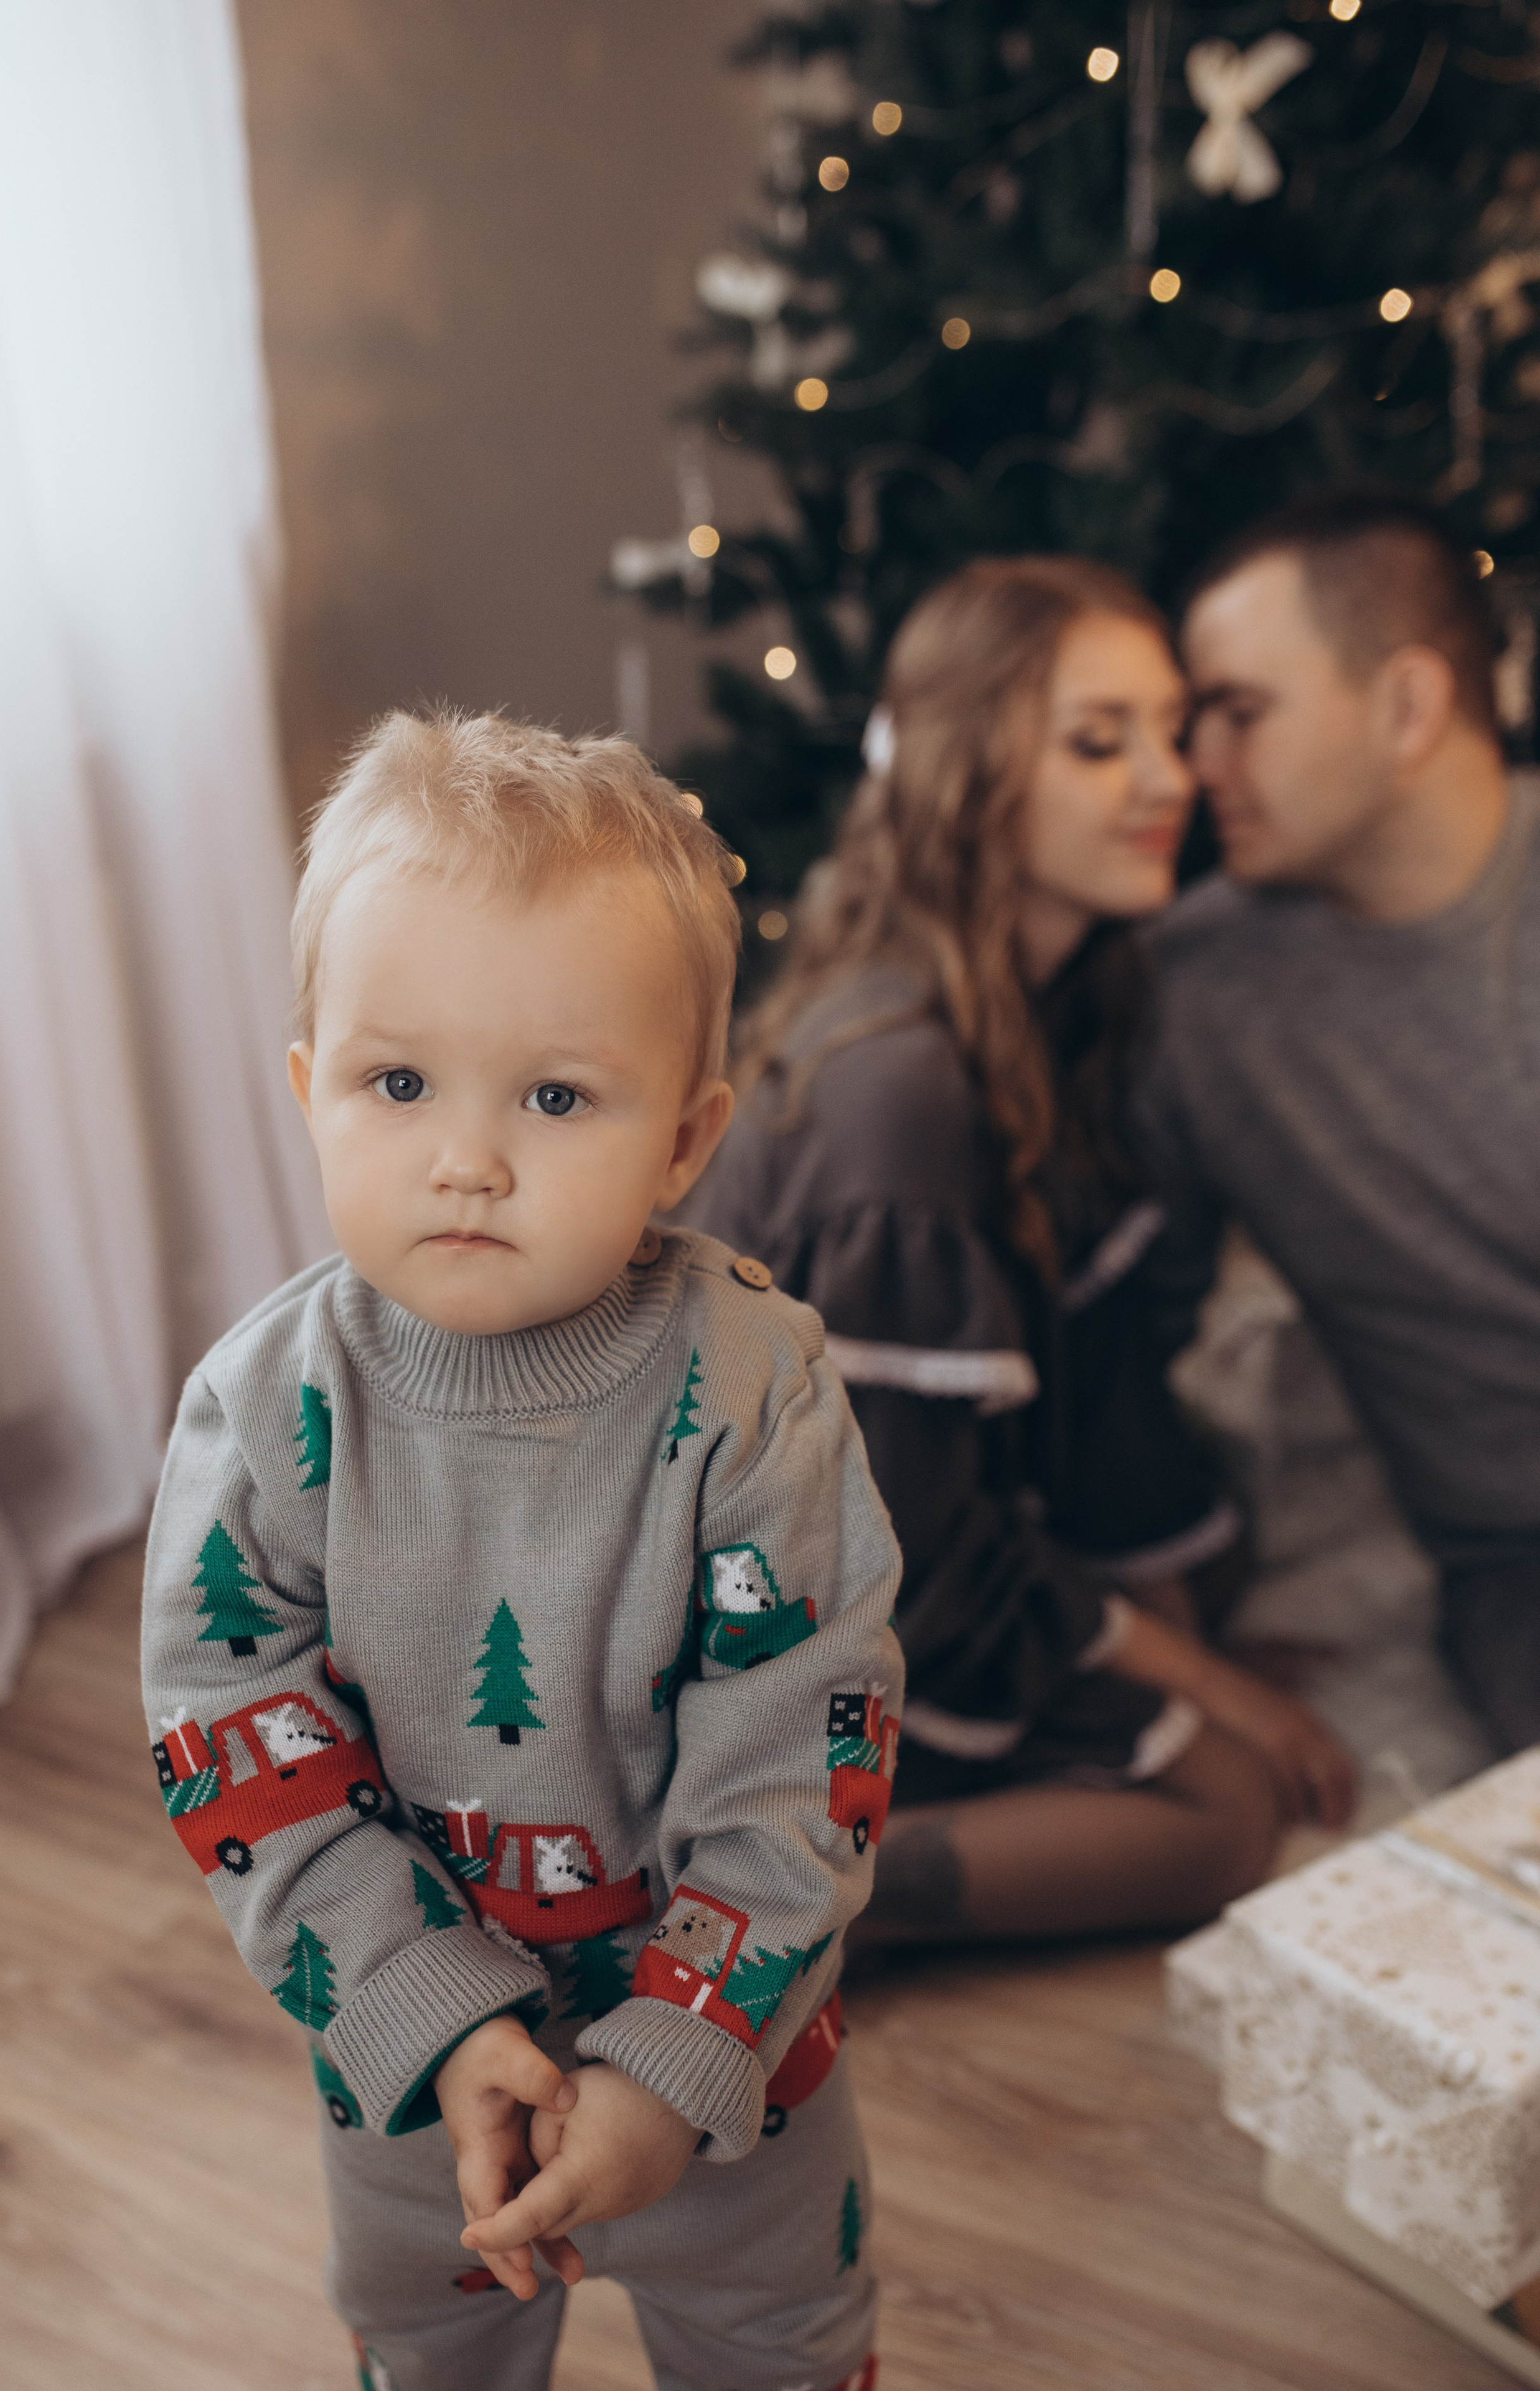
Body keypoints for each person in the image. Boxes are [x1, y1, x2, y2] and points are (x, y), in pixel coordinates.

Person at [139, 711, 901, 2391]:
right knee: (427, 2346)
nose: (468, 1158)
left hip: (736, 2077)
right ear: (307, 1089)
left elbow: (808, 1756)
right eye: (397, 1082)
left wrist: (677, 2055)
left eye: (558, 1095)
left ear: (688, 1137)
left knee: (783, 2345)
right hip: (410, 2074)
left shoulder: (759, 1390)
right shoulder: (261, 1411)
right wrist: (435, 2011)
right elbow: (238, 1741)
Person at [687, 557, 1353, 1952]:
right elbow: (892, 1546)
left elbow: (1101, 1395)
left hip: (919, 1525)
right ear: (965, 772)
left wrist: (1191, 1656)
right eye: (1095, 742)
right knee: (1224, 1811)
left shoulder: (1072, 1008)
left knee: (1206, 1603)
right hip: (771, 1603)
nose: (1165, 780)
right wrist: (1213, 1703)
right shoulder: (900, 1085)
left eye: (1169, 733)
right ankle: (771, 1919)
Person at [1137, 486, 1540, 1758]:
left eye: (1237, 714)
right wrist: (1177, 1625)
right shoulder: (1192, 999)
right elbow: (1122, 1329)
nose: (1193, 765)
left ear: (1406, 707)